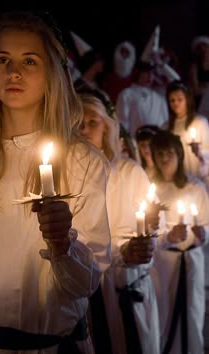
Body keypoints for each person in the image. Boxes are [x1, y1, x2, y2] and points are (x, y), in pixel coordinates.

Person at [0, 10, 112, 354]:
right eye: (3, 59)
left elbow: (87, 281)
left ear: (52, 72)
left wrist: (63, 244)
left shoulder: (83, 161)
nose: (14, 71)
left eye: (29, 61)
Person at [78, 91, 163, 354]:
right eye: (79, 122)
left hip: (127, 283)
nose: (84, 129)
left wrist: (143, 243)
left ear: (106, 127)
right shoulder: (70, 175)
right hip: (88, 290)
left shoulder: (129, 172)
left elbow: (154, 224)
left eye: (93, 122)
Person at [150, 130, 209, 354]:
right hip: (164, 264)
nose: (164, 158)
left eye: (169, 153)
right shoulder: (152, 190)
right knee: (165, 317)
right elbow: (148, 229)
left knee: (192, 315)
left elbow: (206, 223)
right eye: (159, 153)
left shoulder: (195, 187)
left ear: (179, 155)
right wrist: (167, 237)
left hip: (191, 261)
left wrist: (202, 233)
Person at [165, 80, 209, 186]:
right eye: (172, 100)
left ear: (187, 99)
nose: (176, 104)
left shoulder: (200, 122)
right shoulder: (167, 127)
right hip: (179, 180)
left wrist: (198, 153)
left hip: (200, 179)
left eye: (180, 99)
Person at [116, 61, 168, 138]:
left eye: (152, 73)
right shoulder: (127, 94)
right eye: (147, 73)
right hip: (136, 141)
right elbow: (122, 121)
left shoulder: (159, 96)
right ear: (139, 74)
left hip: (157, 143)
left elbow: (165, 123)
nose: (150, 76)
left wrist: (163, 64)